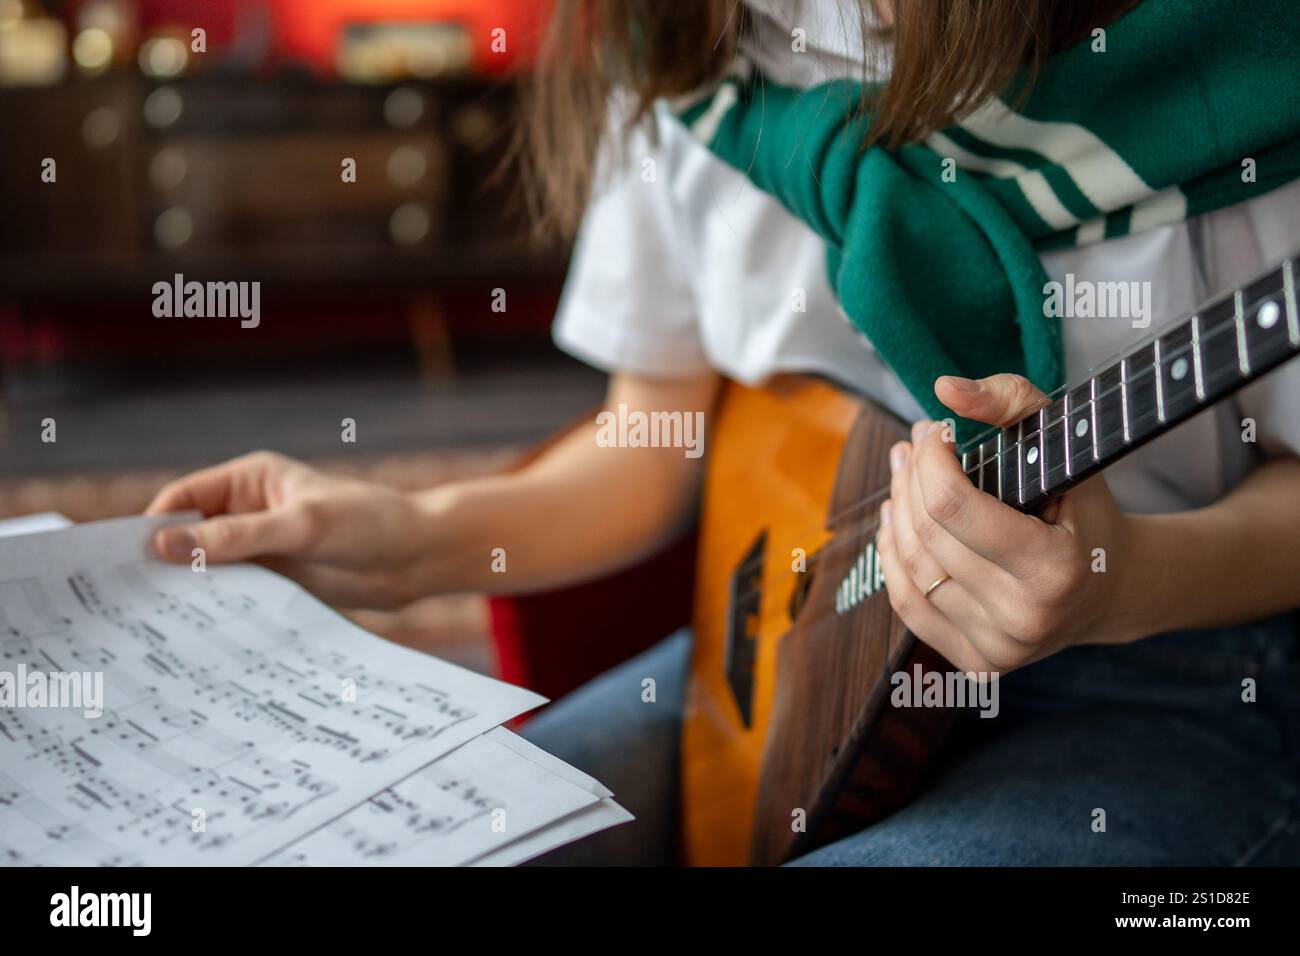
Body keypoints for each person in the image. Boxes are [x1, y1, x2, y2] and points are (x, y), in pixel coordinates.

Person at [148, 0, 1300, 865]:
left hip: (1171, 674)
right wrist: (413, 535)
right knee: (420, 846)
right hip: (798, 632)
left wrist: (1118, 575)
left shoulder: (1227, 71)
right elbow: (652, 437)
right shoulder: (690, 54)